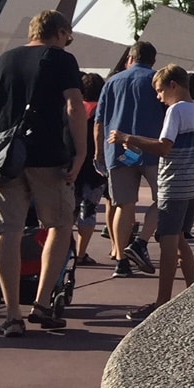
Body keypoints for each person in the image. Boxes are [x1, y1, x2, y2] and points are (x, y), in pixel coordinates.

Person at [0, 9, 86, 338]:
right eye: (68, 35)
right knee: (60, 225)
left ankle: (12, 315)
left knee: (7, 233)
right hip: (49, 156)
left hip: (7, 160)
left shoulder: (4, 59)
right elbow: (74, 105)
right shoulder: (61, 59)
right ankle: (41, 304)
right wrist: (80, 153)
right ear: (61, 31)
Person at [108, 63, 194, 322]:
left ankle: (163, 302)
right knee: (181, 241)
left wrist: (129, 138)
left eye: (160, 91)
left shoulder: (175, 111)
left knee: (169, 243)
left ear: (173, 86)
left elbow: (163, 147)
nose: (159, 97)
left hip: (175, 184)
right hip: (193, 183)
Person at [97, 40, 164, 277]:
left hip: (118, 151)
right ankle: (140, 243)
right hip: (153, 149)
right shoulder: (159, 81)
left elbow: (99, 122)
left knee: (123, 205)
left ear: (130, 58)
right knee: (163, 199)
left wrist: (98, 154)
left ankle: (120, 258)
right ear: (152, 60)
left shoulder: (112, 82)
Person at [73, 72, 107, 265]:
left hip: (73, 166)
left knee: (69, 210)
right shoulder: (101, 111)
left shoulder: (74, 109)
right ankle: (80, 252)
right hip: (94, 169)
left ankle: (64, 248)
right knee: (88, 210)